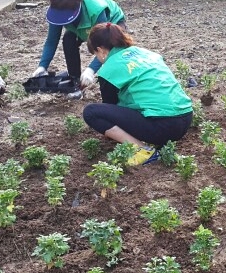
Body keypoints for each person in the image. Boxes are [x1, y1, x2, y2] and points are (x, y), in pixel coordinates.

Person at [82, 23, 193, 166]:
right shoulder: (146, 53)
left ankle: (144, 151)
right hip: (186, 118)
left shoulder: (109, 69)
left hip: (163, 127)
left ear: (100, 50)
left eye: (95, 54)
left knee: (91, 112)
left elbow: (110, 107)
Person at [32, 0, 127, 89]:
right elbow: (51, 41)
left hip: (111, 24)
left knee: (116, 50)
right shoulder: (58, 8)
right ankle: (75, 81)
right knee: (68, 39)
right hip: (79, 28)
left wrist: (91, 70)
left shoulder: (96, 10)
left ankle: (119, 84)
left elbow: (105, 46)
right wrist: (42, 66)